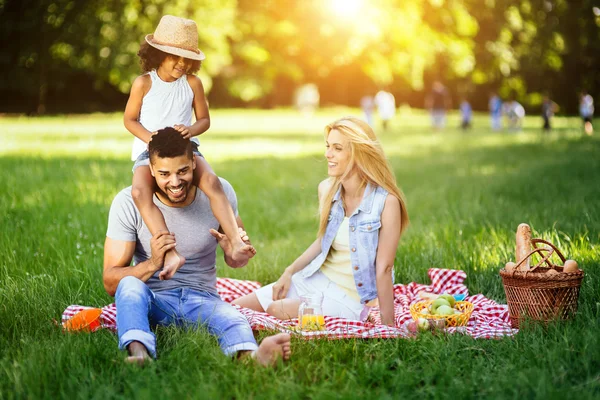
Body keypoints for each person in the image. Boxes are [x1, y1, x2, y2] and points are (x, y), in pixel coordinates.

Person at [103, 128, 291, 366]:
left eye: (182, 171)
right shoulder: (127, 203)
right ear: (150, 170)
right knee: (129, 285)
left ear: (194, 162)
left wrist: (233, 252)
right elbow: (111, 282)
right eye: (164, 174)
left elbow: (236, 261)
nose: (175, 182)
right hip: (154, 301)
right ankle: (140, 354)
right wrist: (153, 263)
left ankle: (252, 358)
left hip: (203, 299)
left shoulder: (219, 194)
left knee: (233, 317)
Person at [233, 117, 409, 327]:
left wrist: (389, 327)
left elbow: (385, 268)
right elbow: (321, 241)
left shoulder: (387, 202)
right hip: (316, 280)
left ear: (358, 153)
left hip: (352, 298)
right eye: (328, 146)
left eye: (337, 148)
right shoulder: (326, 189)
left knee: (274, 309)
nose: (328, 154)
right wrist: (289, 272)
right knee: (235, 308)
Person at [123, 15, 254, 281]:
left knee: (213, 182)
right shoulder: (144, 83)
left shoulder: (192, 84)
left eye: (187, 59)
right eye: (175, 57)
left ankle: (235, 239)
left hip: (186, 150)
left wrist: (190, 130)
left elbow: (204, 119)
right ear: (159, 53)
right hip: (149, 152)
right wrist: (150, 139)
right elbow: (129, 119)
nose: (182, 64)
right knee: (139, 191)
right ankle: (170, 253)